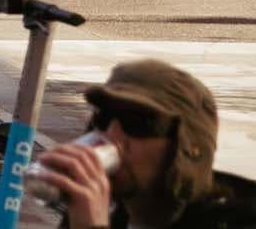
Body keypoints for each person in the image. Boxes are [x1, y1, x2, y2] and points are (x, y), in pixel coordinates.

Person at [33, 60, 256, 227]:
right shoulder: (105, 210)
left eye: (136, 122)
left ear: (187, 148)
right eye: (103, 117)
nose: (112, 136)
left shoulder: (238, 219)